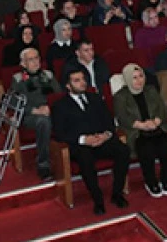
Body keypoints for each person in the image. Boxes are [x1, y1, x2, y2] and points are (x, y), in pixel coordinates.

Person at [51, 68, 130, 215]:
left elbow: (109, 121)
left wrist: (105, 135)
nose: (82, 83)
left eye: (83, 79)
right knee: (85, 158)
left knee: (123, 150)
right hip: (80, 145)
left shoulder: (95, 98)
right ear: (68, 86)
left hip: (101, 140)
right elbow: (60, 133)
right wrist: (83, 139)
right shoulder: (60, 106)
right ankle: (97, 199)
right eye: (77, 81)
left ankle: (117, 194)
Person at [113, 64, 167, 197]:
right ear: (128, 79)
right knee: (147, 150)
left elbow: (162, 109)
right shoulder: (120, 96)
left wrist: (157, 121)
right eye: (134, 78)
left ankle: (165, 180)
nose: (139, 80)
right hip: (136, 132)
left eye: (141, 76)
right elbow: (122, 117)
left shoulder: (151, 90)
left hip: (156, 128)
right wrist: (141, 125)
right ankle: (151, 182)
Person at [10, 48, 59, 180]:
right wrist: (36, 110)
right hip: (30, 115)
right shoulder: (18, 79)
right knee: (43, 121)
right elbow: (14, 101)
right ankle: (44, 164)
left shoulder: (48, 75)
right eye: (31, 59)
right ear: (23, 63)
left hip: (50, 110)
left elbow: (59, 95)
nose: (35, 62)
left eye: (37, 58)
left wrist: (49, 107)